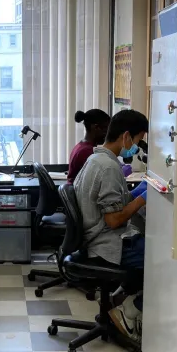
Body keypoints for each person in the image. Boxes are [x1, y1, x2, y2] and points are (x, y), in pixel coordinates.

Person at [74, 109, 149, 339]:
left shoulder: (96, 159)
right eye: (137, 141)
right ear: (126, 136)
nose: (136, 147)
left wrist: (136, 192)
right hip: (106, 244)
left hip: (95, 237)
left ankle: (118, 297)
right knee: (165, 262)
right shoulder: (108, 167)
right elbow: (114, 219)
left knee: (147, 245)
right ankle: (130, 310)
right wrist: (143, 199)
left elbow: (114, 204)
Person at [68, 109, 111, 184]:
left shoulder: (80, 146)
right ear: (96, 128)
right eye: (105, 130)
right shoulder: (87, 152)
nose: (107, 134)